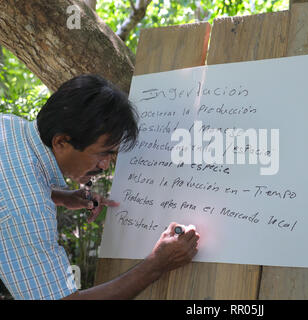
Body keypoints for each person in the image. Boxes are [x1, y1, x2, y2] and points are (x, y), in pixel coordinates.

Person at [0, 74, 199, 300]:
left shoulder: (9, 126)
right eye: (102, 153)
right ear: (61, 142)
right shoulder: (28, 213)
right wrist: (156, 265)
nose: (105, 165)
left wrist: (59, 196)